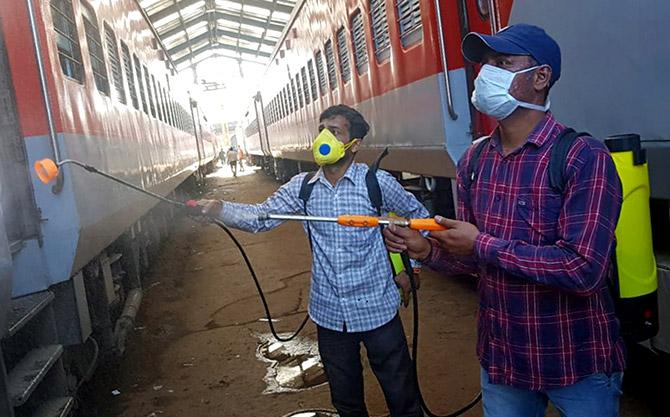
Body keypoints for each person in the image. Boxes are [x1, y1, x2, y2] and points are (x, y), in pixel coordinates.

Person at [383, 24, 625, 417]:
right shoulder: (475, 162)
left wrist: (482, 244)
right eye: (484, 64)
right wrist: (426, 249)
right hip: (504, 362)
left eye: (502, 62)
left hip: (575, 360)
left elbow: (583, 270)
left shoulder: (583, 157)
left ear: (541, 77)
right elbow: (474, 260)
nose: (485, 74)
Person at [198, 105, 426, 417]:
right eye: (322, 128)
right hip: (329, 314)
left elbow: (419, 219)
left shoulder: (376, 183)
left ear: (353, 144)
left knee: (402, 397)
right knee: (346, 402)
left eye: (335, 132)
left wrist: (411, 268)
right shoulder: (302, 188)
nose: (324, 136)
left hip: (378, 309)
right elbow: (260, 218)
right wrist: (219, 208)